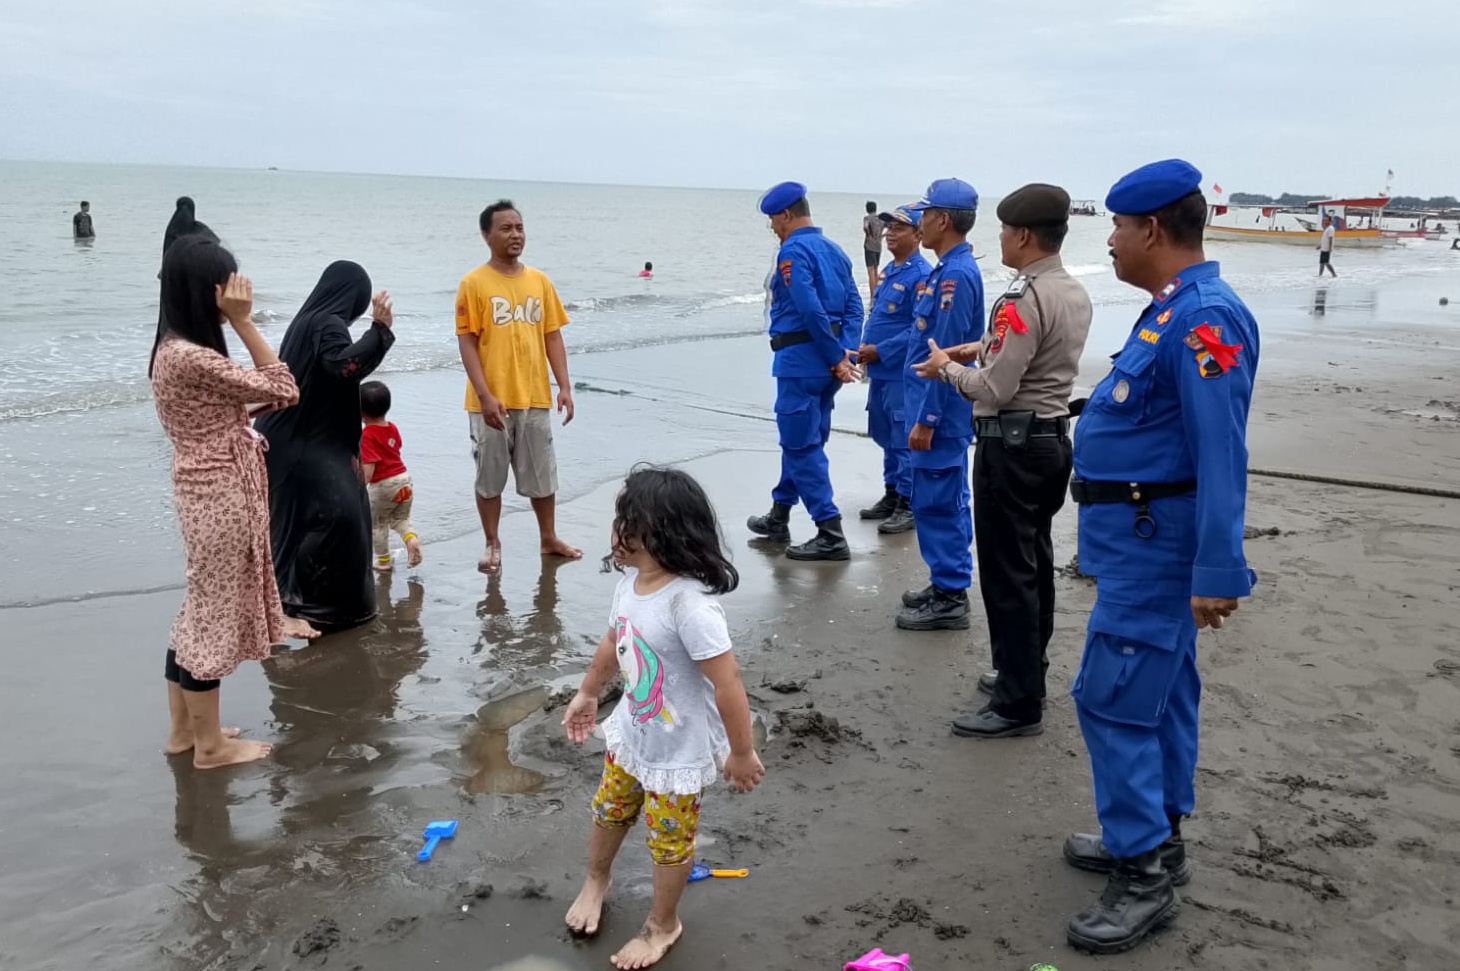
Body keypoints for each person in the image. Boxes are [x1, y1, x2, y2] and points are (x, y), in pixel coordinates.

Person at [1061, 159, 1258, 954]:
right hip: (1137, 540)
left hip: (1158, 548)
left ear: (1149, 229)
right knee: (1163, 692)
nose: (1107, 241)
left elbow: (1222, 450)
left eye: (1114, 227)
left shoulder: (1204, 317)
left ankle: (1142, 871)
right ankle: (1158, 836)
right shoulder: (1167, 311)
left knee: (1110, 697)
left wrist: (1217, 570)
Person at [561, 465, 764, 970]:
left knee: (669, 843)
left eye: (627, 524)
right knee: (609, 809)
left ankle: (662, 925)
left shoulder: (689, 606)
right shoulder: (632, 582)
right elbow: (615, 639)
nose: (616, 534)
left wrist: (740, 752)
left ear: (665, 533)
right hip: (632, 732)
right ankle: (596, 879)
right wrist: (589, 692)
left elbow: (727, 683)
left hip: (679, 752)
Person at [914, 183, 1093, 738]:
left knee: (1007, 574)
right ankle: (1025, 673)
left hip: (1011, 446)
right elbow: (1034, 360)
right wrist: (978, 348)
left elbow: (994, 388)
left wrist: (947, 366)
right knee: (1034, 564)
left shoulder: (1020, 299)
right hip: (1049, 439)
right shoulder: (1071, 289)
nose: (999, 239)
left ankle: (1018, 702)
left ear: (1021, 235)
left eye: (1004, 232)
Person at [148, 237, 320, 769]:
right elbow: (286, 386)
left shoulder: (174, 349)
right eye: (231, 285)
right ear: (211, 292)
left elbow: (261, 394)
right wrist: (245, 322)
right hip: (220, 492)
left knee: (198, 611)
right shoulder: (191, 356)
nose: (240, 292)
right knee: (213, 618)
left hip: (205, 488)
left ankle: (185, 732)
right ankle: (210, 747)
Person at [255, 262, 396, 633]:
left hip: (293, 440)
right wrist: (379, 329)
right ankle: (302, 610)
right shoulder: (325, 323)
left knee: (292, 525)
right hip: (298, 443)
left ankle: (294, 606)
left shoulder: (308, 322)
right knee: (315, 522)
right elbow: (344, 366)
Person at [456, 199, 581, 574]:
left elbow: (552, 336)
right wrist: (484, 394)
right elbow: (467, 342)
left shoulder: (539, 281)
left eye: (519, 227)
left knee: (543, 474)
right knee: (489, 477)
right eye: (506, 228)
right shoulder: (473, 283)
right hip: (489, 403)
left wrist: (564, 386)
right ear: (486, 235)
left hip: (534, 395)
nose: (516, 235)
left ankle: (549, 538)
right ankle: (492, 542)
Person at [746, 182, 863, 560]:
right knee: (805, 441)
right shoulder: (835, 251)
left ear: (786, 215)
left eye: (772, 220)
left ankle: (829, 530)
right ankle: (780, 513)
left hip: (801, 362)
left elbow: (809, 308)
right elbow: (855, 307)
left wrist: (835, 357)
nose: (771, 228)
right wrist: (846, 351)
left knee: (801, 446)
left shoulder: (793, 251)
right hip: (827, 365)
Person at [895, 179, 983, 631]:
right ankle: (946, 581)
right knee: (941, 498)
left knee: (937, 501)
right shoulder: (945, 270)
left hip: (941, 413)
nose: (919, 223)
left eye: (925, 215)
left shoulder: (954, 275)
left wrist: (927, 419)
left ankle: (951, 595)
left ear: (943, 220)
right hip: (934, 407)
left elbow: (942, 354)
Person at [855, 205, 932, 535]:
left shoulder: (920, 275)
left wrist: (880, 350)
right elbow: (878, 316)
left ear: (917, 234)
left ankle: (908, 502)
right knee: (885, 435)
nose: (889, 233)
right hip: (880, 373)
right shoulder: (889, 269)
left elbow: (918, 328)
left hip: (901, 372)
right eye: (888, 228)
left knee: (902, 438)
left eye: (899, 228)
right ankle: (891, 493)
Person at [359, 380, 422, 573]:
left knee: (377, 524)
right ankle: (411, 540)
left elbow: (369, 468)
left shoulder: (367, 434)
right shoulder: (392, 427)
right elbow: (397, 446)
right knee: (400, 519)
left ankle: (384, 561)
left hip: (383, 485)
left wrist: (359, 487)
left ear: (360, 412)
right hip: (404, 480)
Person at [862, 200, 884, 293]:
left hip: (869, 246)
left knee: (870, 271)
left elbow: (866, 227)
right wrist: (882, 236)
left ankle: (872, 296)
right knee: (875, 270)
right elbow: (890, 226)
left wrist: (868, 235)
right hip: (878, 246)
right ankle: (877, 293)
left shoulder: (867, 218)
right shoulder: (881, 219)